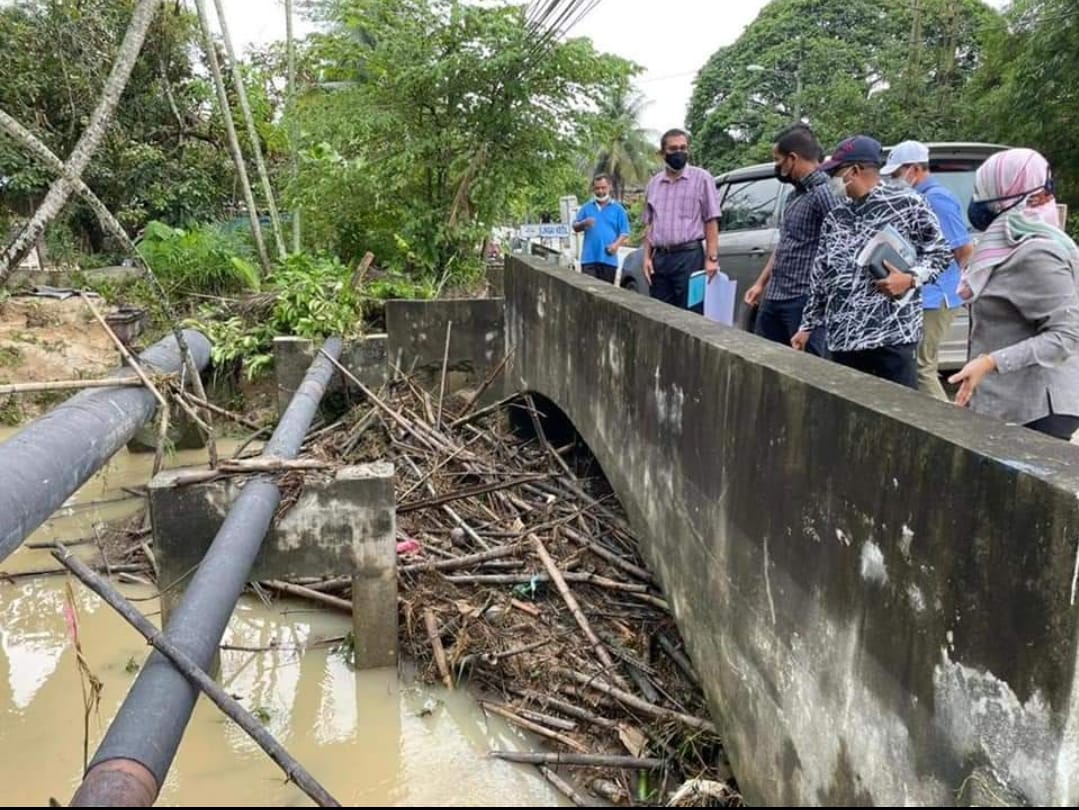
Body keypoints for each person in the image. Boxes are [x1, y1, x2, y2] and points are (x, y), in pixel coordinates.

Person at [791, 135, 952, 388]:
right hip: (843, 340)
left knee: (898, 417)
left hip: (891, 337)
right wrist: (807, 326)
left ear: (854, 171)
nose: (831, 180)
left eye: (836, 172)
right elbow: (821, 276)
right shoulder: (836, 217)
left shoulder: (907, 203)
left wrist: (909, 279)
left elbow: (941, 253)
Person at [948, 148, 1079, 440]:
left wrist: (991, 362)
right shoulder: (1009, 242)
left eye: (986, 189)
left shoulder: (1037, 251)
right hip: (1006, 403)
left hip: (1036, 409)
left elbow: (1066, 335)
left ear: (1011, 191)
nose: (978, 199)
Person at [881, 141, 973, 400]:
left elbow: (963, 250)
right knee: (915, 364)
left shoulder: (937, 199)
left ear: (915, 169)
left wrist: (969, 291)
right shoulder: (917, 198)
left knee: (922, 367)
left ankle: (946, 430)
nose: (894, 180)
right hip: (923, 292)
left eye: (897, 173)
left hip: (938, 296)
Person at [745, 124, 842, 355]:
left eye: (778, 161)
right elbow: (786, 244)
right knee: (766, 359)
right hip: (776, 295)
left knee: (808, 369)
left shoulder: (825, 193)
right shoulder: (794, 196)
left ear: (792, 158)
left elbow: (841, 247)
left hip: (803, 298)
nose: (777, 167)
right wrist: (761, 283)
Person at [642, 129, 721, 308]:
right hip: (660, 259)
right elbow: (649, 223)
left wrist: (712, 259)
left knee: (691, 315)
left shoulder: (702, 179)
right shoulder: (654, 184)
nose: (679, 153)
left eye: (683, 148)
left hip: (689, 258)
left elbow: (711, 220)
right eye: (673, 149)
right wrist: (646, 258)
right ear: (663, 153)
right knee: (660, 314)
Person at [573, 174, 630, 284]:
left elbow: (624, 232)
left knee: (606, 295)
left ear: (609, 187)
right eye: (597, 188)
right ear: (593, 189)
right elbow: (575, 227)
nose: (600, 191)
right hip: (588, 259)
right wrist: (584, 223)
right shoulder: (586, 208)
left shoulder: (618, 209)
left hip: (609, 260)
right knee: (588, 292)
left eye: (603, 188)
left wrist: (615, 245)